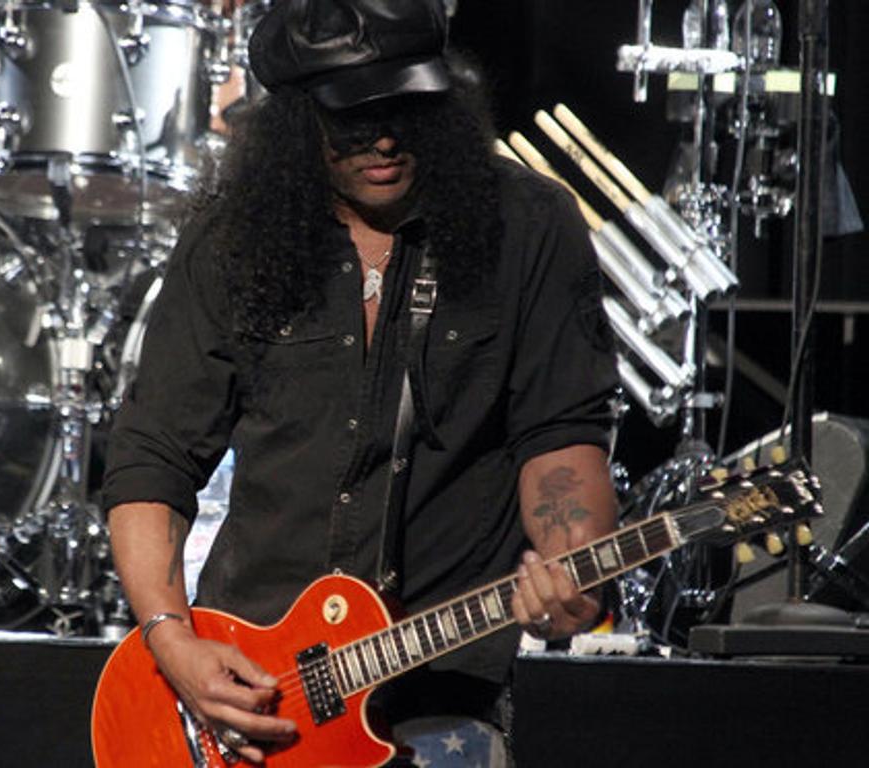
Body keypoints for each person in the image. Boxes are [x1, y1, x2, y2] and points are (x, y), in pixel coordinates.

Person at [102, 0, 620, 763]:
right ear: (295, 124)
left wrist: (571, 572)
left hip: (442, 693)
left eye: (407, 111)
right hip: (254, 691)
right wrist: (171, 639)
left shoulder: (529, 225)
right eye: (351, 120)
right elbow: (155, 457)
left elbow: (561, 433)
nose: (383, 140)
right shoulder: (234, 239)